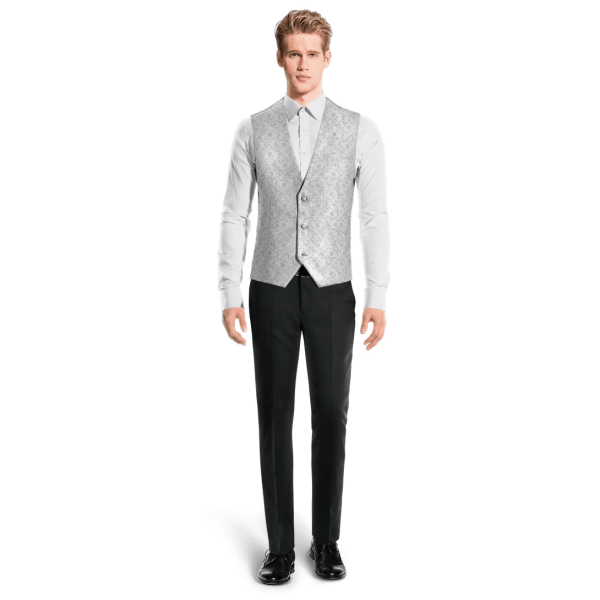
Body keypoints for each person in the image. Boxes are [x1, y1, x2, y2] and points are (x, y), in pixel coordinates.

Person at [215, 8, 391, 585]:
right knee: (273, 416)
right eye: (293, 53)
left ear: (328, 58)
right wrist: (228, 289)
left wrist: (378, 294)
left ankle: (328, 541)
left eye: (312, 54)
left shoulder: (362, 129)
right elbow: (235, 214)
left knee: (332, 415)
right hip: (268, 286)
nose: (303, 64)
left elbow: (374, 218)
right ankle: (279, 549)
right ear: (279, 58)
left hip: (333, 288)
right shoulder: (251, 128)